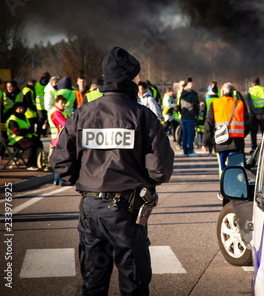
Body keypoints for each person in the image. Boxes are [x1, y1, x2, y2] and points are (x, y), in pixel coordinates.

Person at [50, 47, 174, 295]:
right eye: (136, 76)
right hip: (127, 211)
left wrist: (88, 182)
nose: (139, 81)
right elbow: (160, 170)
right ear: (129, 78)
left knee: (93, 284)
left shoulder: (82, 114)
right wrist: (140, 181)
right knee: (134, 285)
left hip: (91, 210)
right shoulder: (143, 116)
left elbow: (60, 161)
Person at [202, 82, 248, 171]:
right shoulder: (240, 104)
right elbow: (248, 124)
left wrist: (205, 142)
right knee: (237, 168)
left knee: (222, 169)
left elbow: (209, 124)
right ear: (233, 92)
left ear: (222, 92)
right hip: (237, 142)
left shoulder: (215, 103)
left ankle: (223, 183)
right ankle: (237, 184)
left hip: (221, 141)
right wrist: (241, 135)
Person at [6, 102, 43, 170]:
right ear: (15, 109)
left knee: (38, 143)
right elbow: (17, 132)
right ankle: (30, 164)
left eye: (22, 108)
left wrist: (27, 131)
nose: (21, 110)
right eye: (19, 109)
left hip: (25, 137)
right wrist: (27, 131)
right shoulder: (12, 119)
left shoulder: (24, 117)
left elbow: (29, 128)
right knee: (31, 145)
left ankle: (39, 163)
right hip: (16, 140)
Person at [48, 95, 68, 185]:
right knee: (61, 160)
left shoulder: (60, 112)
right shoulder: (57, 113)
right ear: (56, 102)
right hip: (58, 139)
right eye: (62, 103)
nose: (63, 105)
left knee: (59, 160)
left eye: (64, 103)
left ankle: (57, 179)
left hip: (58, 139)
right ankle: (61, 180)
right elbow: (65, 123)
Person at [177, 80, 200, 157]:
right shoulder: (193, 95)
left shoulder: (182, 94)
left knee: (184, 134)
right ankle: (190, 151)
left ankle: (185, 151)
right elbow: (195, 106)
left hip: (183, 116)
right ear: (192, 87)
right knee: (190, 134)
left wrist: (182, 113)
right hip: (190, 116)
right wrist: (197, 112)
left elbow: (179, 106)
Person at [247, 77, 264, 154]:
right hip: (263, 115)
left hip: (254, 115)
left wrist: (256, 114)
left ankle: (254, 148)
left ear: (253, 83)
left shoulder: (250, 91)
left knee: (253, 132)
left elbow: (250, 104)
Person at [34, 72, 51, 137]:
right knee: (49, 120)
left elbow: (34, 95)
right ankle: (44, 132)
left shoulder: (37, 84)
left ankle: (38, 133)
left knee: (40, 121)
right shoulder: (49, 85)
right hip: (48, 105)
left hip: (39, 106)